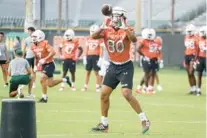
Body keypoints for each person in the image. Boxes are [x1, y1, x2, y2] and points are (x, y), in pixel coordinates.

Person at [91, 6, 150, 134]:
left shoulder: (127, 29)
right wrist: (102, 26)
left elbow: (134, 39)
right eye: (113, 16)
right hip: (113, 66)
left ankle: (144, 119)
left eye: (117, 16)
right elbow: (93, 36)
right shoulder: (107, 28)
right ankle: (104, 124)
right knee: (104, 94)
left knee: (126, 94)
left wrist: (124, 28)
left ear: (123, 18)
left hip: (125, 66)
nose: (114, 19)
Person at [31, 30, 71, 103]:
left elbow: (53, 52)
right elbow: (36, 57)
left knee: (42, 79)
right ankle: (65, 79)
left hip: (50, 64)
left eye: (35, 36)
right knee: (50, 84)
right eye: (33, 36)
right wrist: (35, 65)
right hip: (43, 64)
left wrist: (45, 59)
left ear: (40, 37)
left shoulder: (45, 44)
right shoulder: (33, 46)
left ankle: (44, 98)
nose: (33, 38)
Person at [81, 24, 103, 92]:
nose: (92, 33)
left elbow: (101, 49)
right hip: (89, 56)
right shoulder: (88, 38)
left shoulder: (100, 39)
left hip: (96, 56)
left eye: (94, 31)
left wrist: (100, 58)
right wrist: (84, 57)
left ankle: (97, 86)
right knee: (88, 72)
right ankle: (85, 86)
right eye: (92, 31)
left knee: (97, 72)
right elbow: (86, 48)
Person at [184, 24, 198, 94]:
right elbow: (186, 47)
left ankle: (195, 88)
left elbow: (198, 48)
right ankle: (192, 88)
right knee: (188, 74)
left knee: (191, 72)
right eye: (188, 31)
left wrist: (196, 58)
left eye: (190, 31)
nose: (189, 33)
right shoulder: (186, 37)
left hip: (193, 56)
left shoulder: (196, 38)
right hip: (187, 55)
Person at [195, 26, 207, 96]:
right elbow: (197, 50)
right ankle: (198, 90)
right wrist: (195, 59)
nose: (202, 34)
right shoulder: (199, 40)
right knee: (199, 74)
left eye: (203, 32)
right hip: (200, 58)